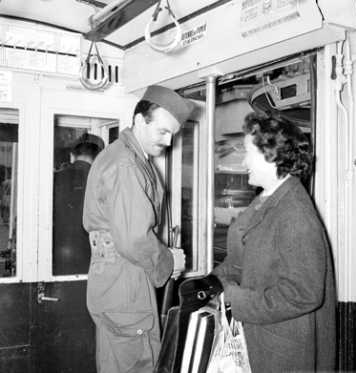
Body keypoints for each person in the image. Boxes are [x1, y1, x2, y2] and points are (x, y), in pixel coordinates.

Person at [83, 85, 195, 373]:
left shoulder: (119, 156)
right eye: (162, 131)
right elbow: (134, 238)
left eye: (172, 133)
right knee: (138, 364)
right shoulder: (126, 164)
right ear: (139, 120)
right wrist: (169, 261)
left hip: (115, 281)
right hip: (127, 281)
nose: (168, 142)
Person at [212, 113, 337, 372]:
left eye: (248, 152)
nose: (244, 161)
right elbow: (240, 259)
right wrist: (210, 283)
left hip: (281, 350)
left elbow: (304, 294)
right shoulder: (265, 200)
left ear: (272, 155)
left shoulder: (295, 213)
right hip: (257, 338)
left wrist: (235, 298)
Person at [53, 133, 104, 275]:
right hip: (89, 255)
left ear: (72, 155)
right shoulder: (102, 182)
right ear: (98, 157)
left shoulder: (55, 177)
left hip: (54, 254)